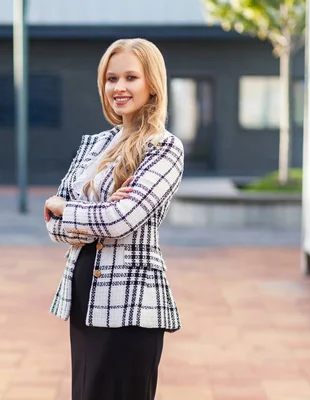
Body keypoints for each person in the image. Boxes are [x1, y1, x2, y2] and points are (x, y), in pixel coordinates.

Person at [43, 38, 185, 400]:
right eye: (111, 79)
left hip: (132, 300)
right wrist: (79, 213)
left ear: (152, 83)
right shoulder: (93, 145)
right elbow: (53, 226)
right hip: (83, 292)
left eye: (131, 78)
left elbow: (120, 221)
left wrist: (67, 207)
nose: (118, 88)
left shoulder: (164, 147)